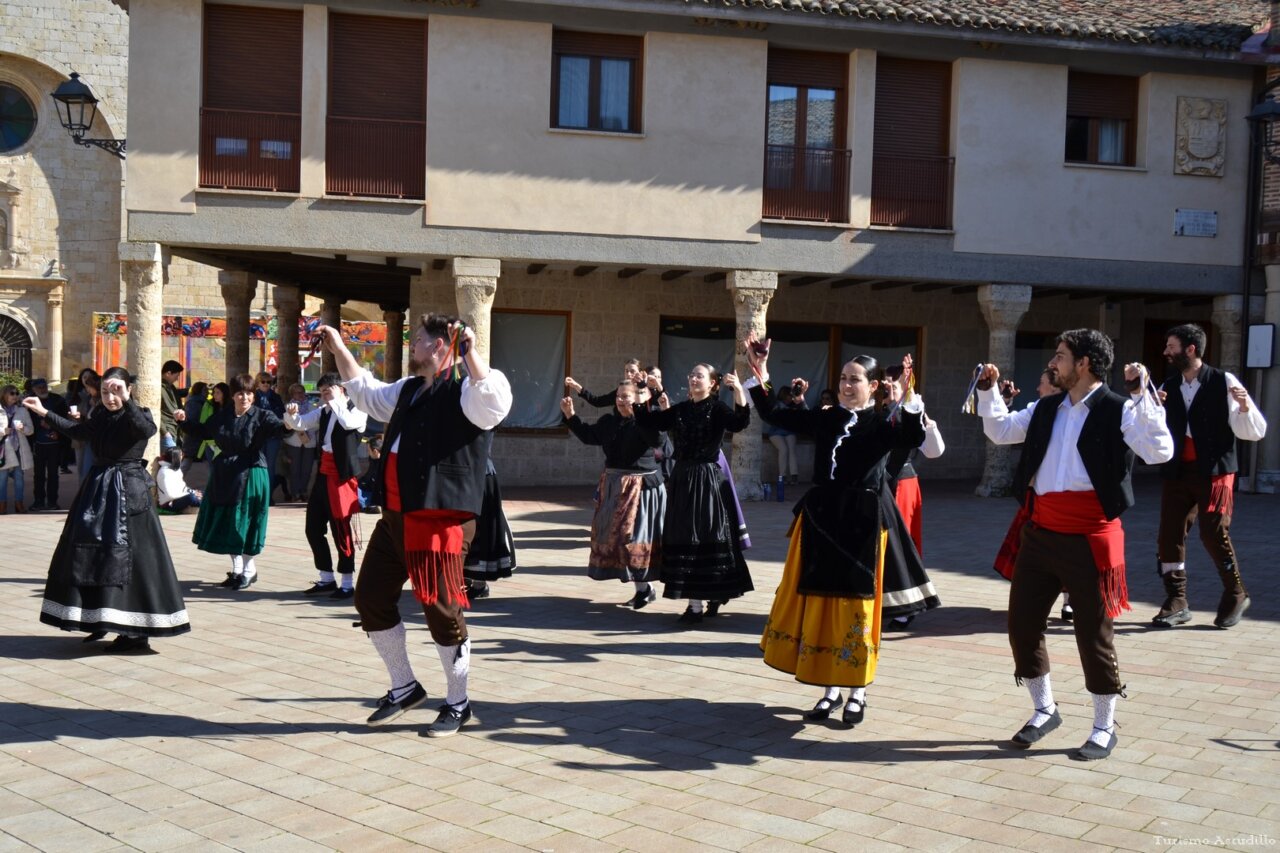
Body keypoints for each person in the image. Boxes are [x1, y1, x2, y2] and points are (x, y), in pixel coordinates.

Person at [978, 329, 1173, 761]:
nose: (1054, 362)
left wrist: (1144, 399)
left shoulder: (1120, 409)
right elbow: (1001, 431)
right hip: (1041, 532)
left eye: (1061, 356)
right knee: (1022, 624)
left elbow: (1160, 451)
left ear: (1083, 363)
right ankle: (1044, 709)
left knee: (1093, 635)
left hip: (1090, 537)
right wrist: (990, 393)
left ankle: (1104, 725)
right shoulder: (1047, 407)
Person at [315, 314, 511, 737]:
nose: (412, 345)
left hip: (438, 523)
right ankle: (404, 686)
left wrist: (471, 352)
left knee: (443, 613)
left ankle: (458, 703)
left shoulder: (467, 393)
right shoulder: (407, 390)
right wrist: (338, 346)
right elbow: (365, 391)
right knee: (369, 598)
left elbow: (495, 402)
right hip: (396, 519)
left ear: (439, 347)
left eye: (419, 340)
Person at [746, 339, 929, 727]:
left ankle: (857, 691)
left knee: (854, 608)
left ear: (874, 385)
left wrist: (910, 393)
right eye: (844, 378)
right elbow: (774, 411)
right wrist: (761, 372)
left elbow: (912, 438)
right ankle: (829, 689)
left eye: (856, 379)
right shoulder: (827, 417)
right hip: (822, 517)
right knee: (821, 604)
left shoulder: (883, 423)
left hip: (861, 522)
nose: (847, 385)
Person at [24, 367, 191, 653]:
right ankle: (98, 619)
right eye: (105, 391)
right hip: (98, 489)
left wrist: (126, 401)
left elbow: (145, 430)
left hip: (129, 492)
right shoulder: (100, 415)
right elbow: (78, 431)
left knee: (130, 560)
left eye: (116, 391)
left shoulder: (140, 414)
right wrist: (43, 412)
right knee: (91, 554)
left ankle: (136, 632)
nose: (110, 397)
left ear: (127, 390)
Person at [1153, 323, 1267, 629]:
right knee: (1168, 535)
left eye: (1172, 347)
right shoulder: (1170, 386)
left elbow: (1254, 431)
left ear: (1191, 349)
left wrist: (1243, 406)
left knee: (1213, 532)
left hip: (1215, 472)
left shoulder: (1223, 381)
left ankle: (1235, 592)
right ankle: (1177, 601)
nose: (1166, 351)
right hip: (1179, 471)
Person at [633, 363, 753, 623]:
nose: (694, 379)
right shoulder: (681, 410)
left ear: (712, 383)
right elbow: (647, 420)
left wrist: (739, 392)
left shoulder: (718, 408)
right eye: (691, 374)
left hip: (707, 480)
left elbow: (740, 422)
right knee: (685, 537)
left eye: (700, 375)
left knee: (707, 537)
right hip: (683, 479)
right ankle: (694, 605)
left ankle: (712, 595)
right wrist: (642, 390)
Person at [563, 381, 665, 608]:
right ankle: (644, 589)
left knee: (634, 541)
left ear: (637, 399)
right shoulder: (609, 422)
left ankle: (644, 588)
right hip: (614, 486)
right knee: (615, 540)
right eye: (618, 395)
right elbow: (590, 436)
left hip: (641, 489)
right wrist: (571, 416)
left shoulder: (647, 421)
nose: (620, 400)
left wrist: (644, 415)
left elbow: (659, 442)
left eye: (626, 396)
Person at [182, 373, 286, 590]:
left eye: (249, 393)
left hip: (252, 472)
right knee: (229, 520)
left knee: (247, 520)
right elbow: (202, 431)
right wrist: (183, 420)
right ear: (233, 395)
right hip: (225, 472)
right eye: (240, 393)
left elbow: (281, 428)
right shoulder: (223, 415)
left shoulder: (261, 416)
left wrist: (292, 420)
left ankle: (249, 569)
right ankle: (237, 569)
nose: (245, 398)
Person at [994, 369, 1074, 623]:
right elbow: (1004, 431)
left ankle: (1070, 599)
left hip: (1072, 497)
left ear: (1055, 387)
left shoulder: (1078, 412)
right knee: (1034, 552)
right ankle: (1034, 600)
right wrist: (1000, 401)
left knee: (1071, 552)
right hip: (1038, 494)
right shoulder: (1039, 409)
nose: (1038, 389)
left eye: (1042, 384)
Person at [285, 373, 369, 600]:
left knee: (341, 530)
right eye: (322, 392)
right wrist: (291, 415)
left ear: (341, 389)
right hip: (323, 473)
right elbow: (300, 424)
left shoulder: (356, 409)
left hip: (341, 476)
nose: (324, 396)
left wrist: (336, 402)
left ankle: (347, 582)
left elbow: (349, 423)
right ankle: (326, 577)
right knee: (312, 528)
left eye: (328, 390)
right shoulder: (324, 411)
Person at [462, 459, 518, 601]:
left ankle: (479, 584)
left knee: (479, 531)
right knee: (463, 531)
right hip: (464, 476)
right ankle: (465, 578)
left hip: (479, 476)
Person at [27, 378, 68, 511]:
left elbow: (65, 420)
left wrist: (57, 431)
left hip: (54, 444)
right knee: (38, 475)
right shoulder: (29, 402)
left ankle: (52, 502)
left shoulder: (58, 400)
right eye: (38, 387)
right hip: (38, 444)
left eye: (44, 386)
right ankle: (38, 501)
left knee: (53, 474)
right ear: (33, 390)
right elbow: (27, 421)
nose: (42, 389)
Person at [0, 385, 34, 513]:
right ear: (4, 395)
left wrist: (22, 429)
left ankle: (19, 503)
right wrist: (3, 431)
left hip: (19, 448)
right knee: (2, 478)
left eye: (16, 393)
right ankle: (2, 504)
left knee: (19, 476)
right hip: (4, 449)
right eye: (11, 393)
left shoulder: (22, 411)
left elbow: (31, 430)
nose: (15, 396)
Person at [254, 372, 287, 504]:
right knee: (257, 465)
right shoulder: (253, 396)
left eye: (269, 382)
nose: (266, 384)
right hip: (258, 435)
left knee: (270, 466)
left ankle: (268, 496)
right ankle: (257, 495)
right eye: (263, 382)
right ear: (258, 383)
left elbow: (281, 414)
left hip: (273, 435)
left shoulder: (276, 397)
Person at [282, 382, 317, 502]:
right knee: (294, 469)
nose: (301, 394)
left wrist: (307, 428)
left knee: (307, 469)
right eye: (297, 392)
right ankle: (295, 493)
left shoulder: (312, 406)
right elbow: (286, 423)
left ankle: (303, 491)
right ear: (292, 394)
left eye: (302, 391)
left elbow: (317, 423)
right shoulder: (288, 407)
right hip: (293, 442)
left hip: (309, 441)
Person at [765, 385, 804, 489]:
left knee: (791, 449)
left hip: (789, 430)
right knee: (783, 449)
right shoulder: (777, 405)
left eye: (791, 396)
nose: (791, 398)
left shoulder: (793, 406)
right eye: (789, 395)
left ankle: (794, 476)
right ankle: (782, 476)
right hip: (776, 431)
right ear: (784, 395)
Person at [71, 368, 101, 480]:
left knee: (88, 470)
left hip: (92, 439)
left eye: (89, 377)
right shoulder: (78, 395)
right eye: (84, 377)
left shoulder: (98, 400)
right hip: (80, 436)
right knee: (81, 469)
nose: (86, 380)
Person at [156, 447, 202, 513]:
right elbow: (170, 495)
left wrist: (193, 492)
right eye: (181, 455)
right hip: (169, 503)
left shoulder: (175, 469)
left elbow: (182, 487)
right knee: (191, 498)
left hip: (179, 498)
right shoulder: (164, 472)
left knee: (202, 493)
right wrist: (190, 494)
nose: (182, 456)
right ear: (176, 457)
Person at [179, 382, 209, 473]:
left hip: (195, 438)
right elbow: (193, 421)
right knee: (188, 463)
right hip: (194, 437)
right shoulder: (195, 402)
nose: (207, 392)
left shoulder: (197, 401)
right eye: (205, 390)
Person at [159, 360, 185, 452]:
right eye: (176, 376)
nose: (177, 379)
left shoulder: (171, 387)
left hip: (173, 430)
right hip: (167, 432)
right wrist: (165, 432)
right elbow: (156, 413)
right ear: (168, 373)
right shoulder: (159, 388)